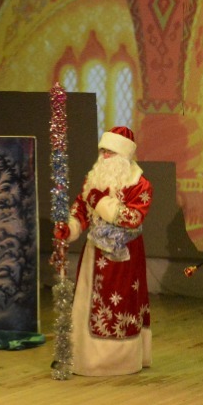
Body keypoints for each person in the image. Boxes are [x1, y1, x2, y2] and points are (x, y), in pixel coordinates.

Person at [54, 126, 153, 376]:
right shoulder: (93, 181)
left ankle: (117, 361)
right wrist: (70, 227)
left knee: (118, 307)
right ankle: (84, 358)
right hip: (94, 254)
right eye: (103, 151)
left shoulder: (140, 185)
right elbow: (80, 210)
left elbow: (132, 217)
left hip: (124, 258)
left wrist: (101, 202)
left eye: (111, 151)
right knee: (88, 305)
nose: (105, 156)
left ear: (123, 154)